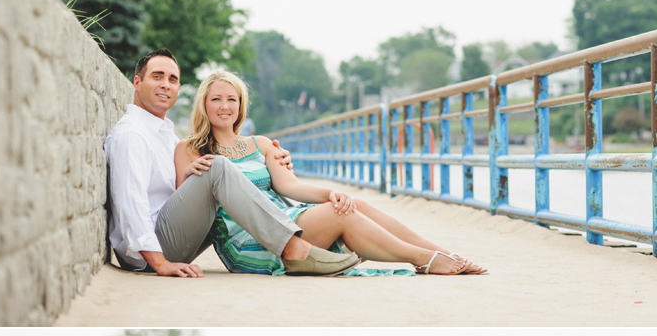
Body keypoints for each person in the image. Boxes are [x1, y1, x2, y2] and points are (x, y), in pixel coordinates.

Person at [174, 71, 486, 276]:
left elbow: (291, 187)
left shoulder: (261, 144)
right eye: (216, 99)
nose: (224, 106)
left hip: (286, 218)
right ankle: (424, 259)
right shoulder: (191, 148)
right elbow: (186, 207)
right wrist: (189, 172)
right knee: (342, 216)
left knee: (350, 204)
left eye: (232, 99)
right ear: (204, 104)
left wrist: (331, 194)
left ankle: (441, 252)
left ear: (241, 106)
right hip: (247, 241)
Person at [105, 49, 356, 278]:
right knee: (218, 166)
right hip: (150, 252)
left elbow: (175, 188)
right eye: (157, 77)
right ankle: (292, 248)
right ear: (137, 82)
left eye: (172, 79)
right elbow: (130, 203)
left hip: (172, 234)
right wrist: (159, 263)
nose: (166, 85)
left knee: (214, 168)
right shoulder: (132, 135)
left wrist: (273, 159)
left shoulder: (164, 133)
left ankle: (323, 242)